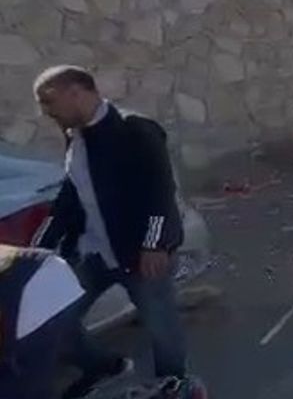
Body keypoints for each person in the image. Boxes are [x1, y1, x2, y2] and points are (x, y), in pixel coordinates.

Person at [30, 65, 188, 398]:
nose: (45, 111)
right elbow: (72, 195)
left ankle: (173, 386)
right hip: (93, 254)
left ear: (76, 92)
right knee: (50, 318)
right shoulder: (75, 136)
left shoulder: (135, 129)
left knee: (162, 330)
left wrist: (154, 244)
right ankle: (104, 366)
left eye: (49, 101)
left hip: (141, 254)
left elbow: (160, 191)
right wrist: (40, 248)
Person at [0, 245, 83, 399]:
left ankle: (106, 367)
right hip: (41, 277)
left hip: (41, 283)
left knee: (22, 382)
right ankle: (105, 365)